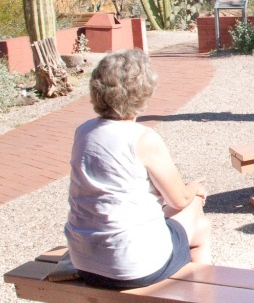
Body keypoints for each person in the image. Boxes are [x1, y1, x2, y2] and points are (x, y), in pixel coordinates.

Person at [65, 50, 212, 289]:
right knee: (196, 207)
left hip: (84, 261)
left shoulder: (83, 132)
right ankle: (203, 294)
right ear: (143, 94)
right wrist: (196, 188)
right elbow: (179, 199)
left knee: (200, 228)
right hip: (132, 266)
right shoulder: (143, 138)